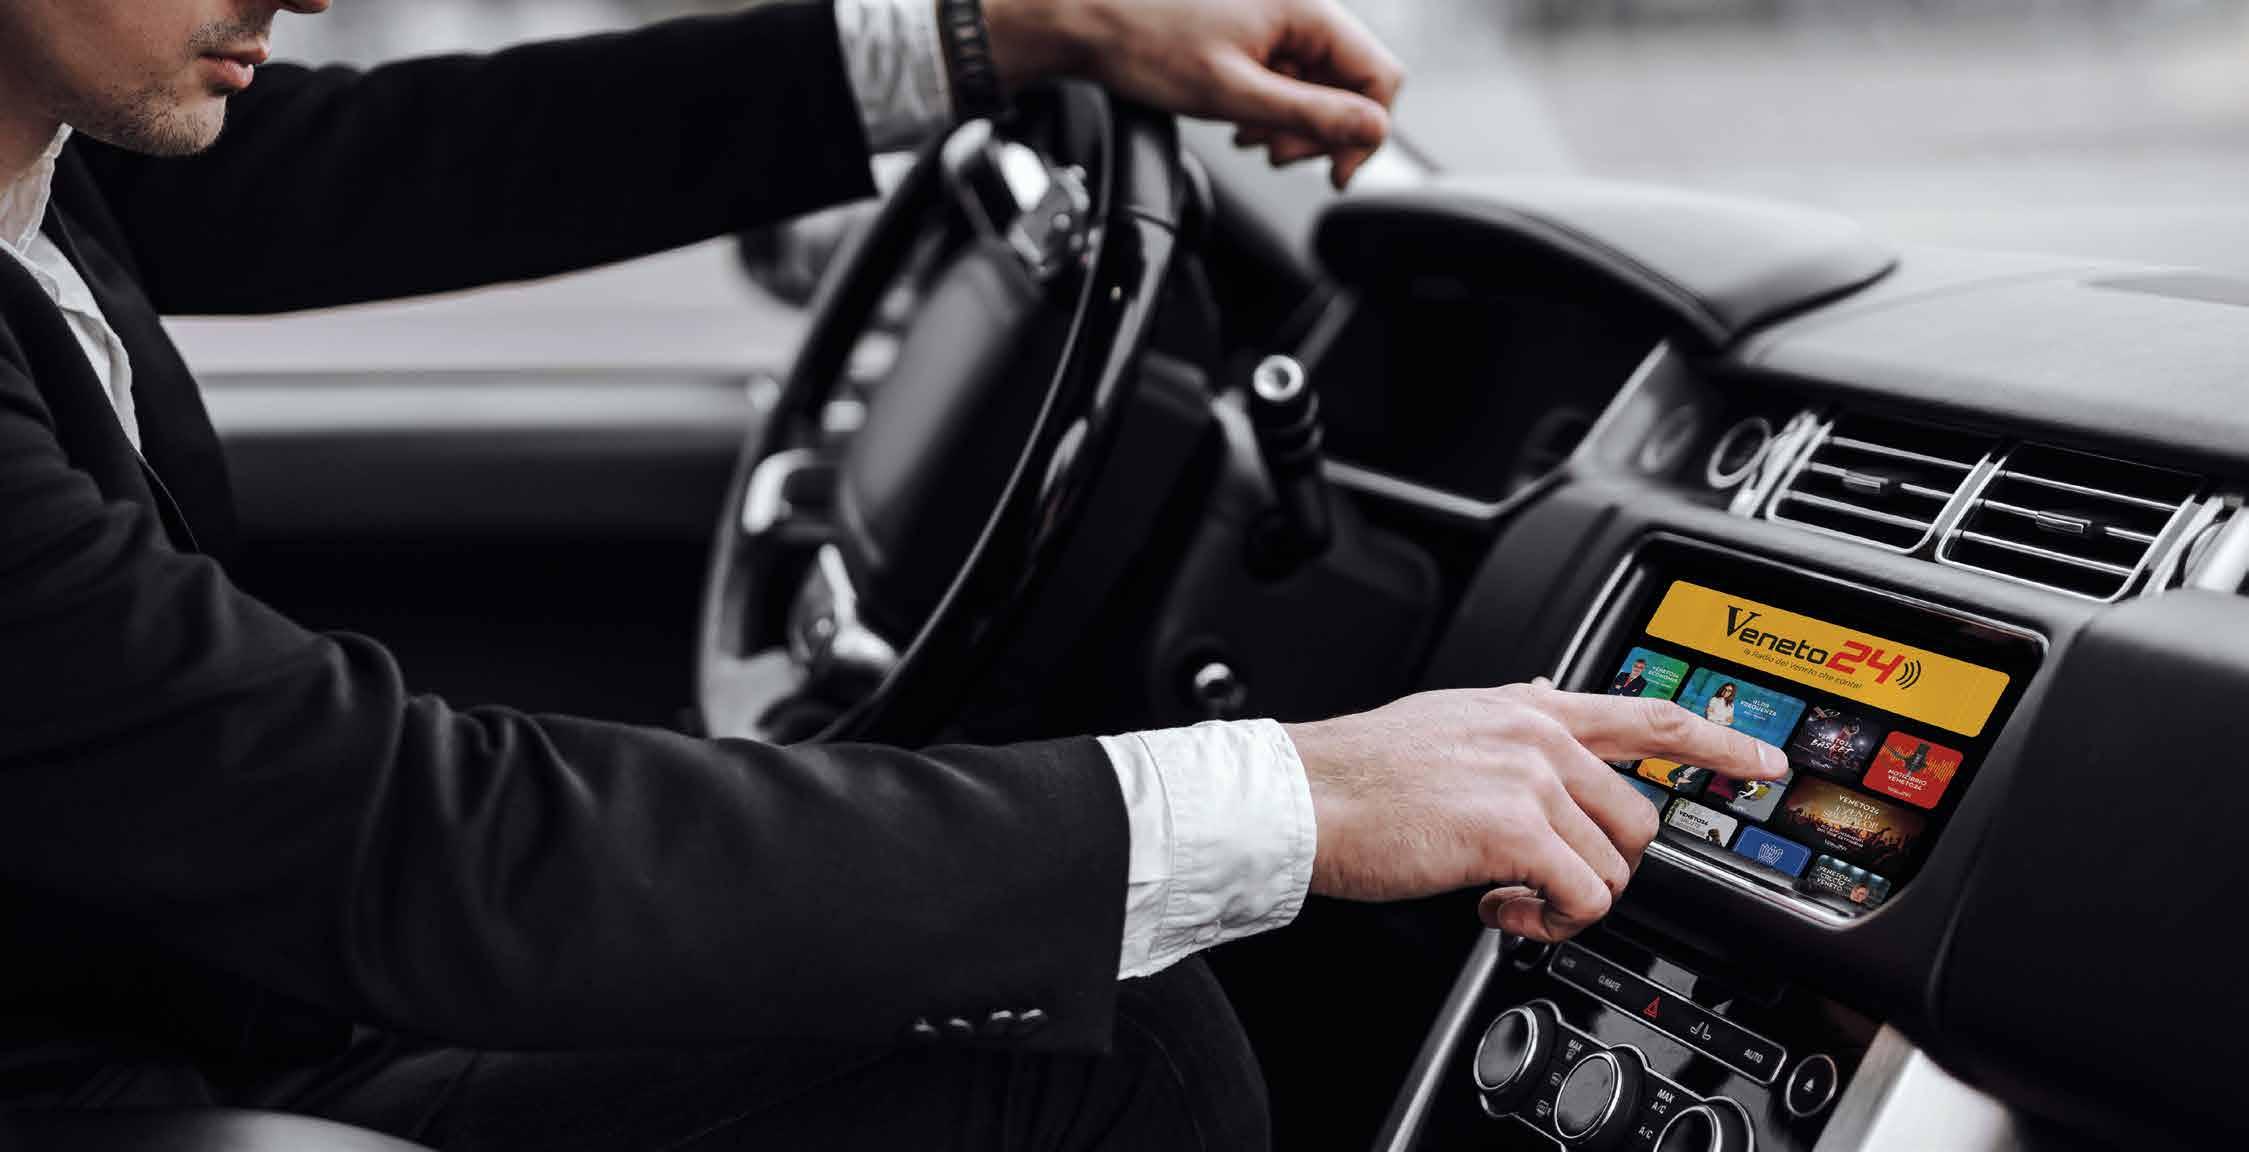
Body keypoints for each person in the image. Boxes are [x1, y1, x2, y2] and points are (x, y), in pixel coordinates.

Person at [0, 1, 1790, 1148]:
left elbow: (392, 160)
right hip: (111, 1068)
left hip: (194, 991)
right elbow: (399, 836)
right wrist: (1294, 799)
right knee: (1108, 1062)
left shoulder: (49, 145)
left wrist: (1005, 33)